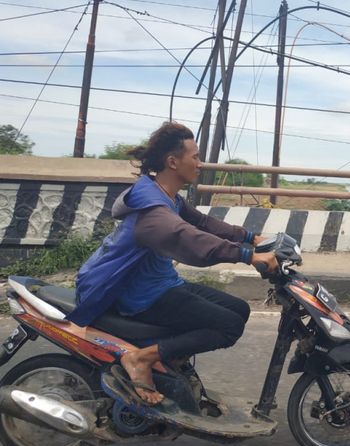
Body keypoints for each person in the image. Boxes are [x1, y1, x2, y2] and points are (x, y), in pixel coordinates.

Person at [67, 121, 277, 405]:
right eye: (195, 157)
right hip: (138, 296)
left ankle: (168, 362)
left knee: (238, 309)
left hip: (161, 284)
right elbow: (187, 236)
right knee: (228, 326)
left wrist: (252, 237)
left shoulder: (166, 196)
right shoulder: (152, 208)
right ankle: (142, 359)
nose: (200, 164)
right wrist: (246, 256)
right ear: (172, 161)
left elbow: (201, 222)